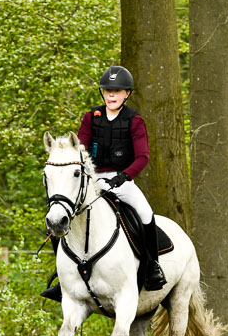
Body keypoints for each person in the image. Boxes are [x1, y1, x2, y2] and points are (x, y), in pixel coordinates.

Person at [41, 65, 166, 301]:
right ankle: (61, 278)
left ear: (126, 94)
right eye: (108, 90)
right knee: (59, 212)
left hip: (123, 179)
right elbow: (82, 149)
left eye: (116, 91)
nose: (111, 95)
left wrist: (124, 175)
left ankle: (152, 267)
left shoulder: (134, 120)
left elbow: (143, 157)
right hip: (92, 179)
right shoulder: (91, 117)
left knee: (146, 213)